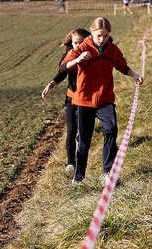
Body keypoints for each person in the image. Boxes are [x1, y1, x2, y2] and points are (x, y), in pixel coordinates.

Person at [61, 17, 143, 184]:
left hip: (105, 99)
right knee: (84, 141)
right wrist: (77, 60)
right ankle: (79, 177)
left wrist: (134, 75)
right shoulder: (83, 47)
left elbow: (122, 65)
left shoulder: (112, 49)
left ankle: (107, 172)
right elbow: (64, 66)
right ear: (92, 33)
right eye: (99, 35)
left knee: (111, 130)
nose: (102, 39)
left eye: (105, 36)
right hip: (84, 101)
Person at [42, 28, 91, 172]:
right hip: (71, 97)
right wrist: (51, 84)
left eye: (81, 43)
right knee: (71, 129)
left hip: (87, 100)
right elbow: (62, 73)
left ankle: (82, 158)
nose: (78, 46)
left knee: (83, 132)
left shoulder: (92, 57)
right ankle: (70, 164)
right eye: (75, 43)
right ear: (71, 43)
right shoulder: (67, 56)